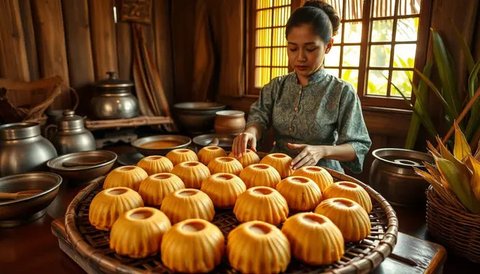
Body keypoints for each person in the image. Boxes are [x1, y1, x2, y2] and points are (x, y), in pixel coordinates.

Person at [232, 0, 371, 174]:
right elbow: (258, 119)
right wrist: (251, 133)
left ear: (328, 46)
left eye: (310, 49)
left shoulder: (341, 92)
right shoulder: (276, 86)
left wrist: (322, 151)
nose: (300, 58)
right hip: (276, 172)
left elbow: (358, 146)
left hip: (321, 176)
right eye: (292, 48)